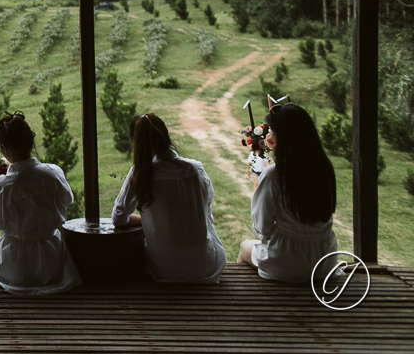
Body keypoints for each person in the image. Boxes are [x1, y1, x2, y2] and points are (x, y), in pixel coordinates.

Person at [0, 111, 81, 295]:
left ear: (5, 149)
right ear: (30, 142)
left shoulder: (5, 185)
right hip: (52, 257)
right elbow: (67, 199)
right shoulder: (54, 173)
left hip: (16, 263)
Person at [111, 113, 226, 283]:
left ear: (138, 144)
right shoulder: (195, 169)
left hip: (163, 269)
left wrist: (155, 221)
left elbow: (118, 219)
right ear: (166, 135)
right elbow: (206, 210)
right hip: (205, 267)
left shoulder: (140, 173)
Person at [238, 103, 337, 283]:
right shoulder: (325, 168)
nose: (269, 137)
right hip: (325, 260)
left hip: (288, 259)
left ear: (282, 138)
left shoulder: (275, 174)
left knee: (245, 247)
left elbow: (262, 226)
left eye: (272, 133)